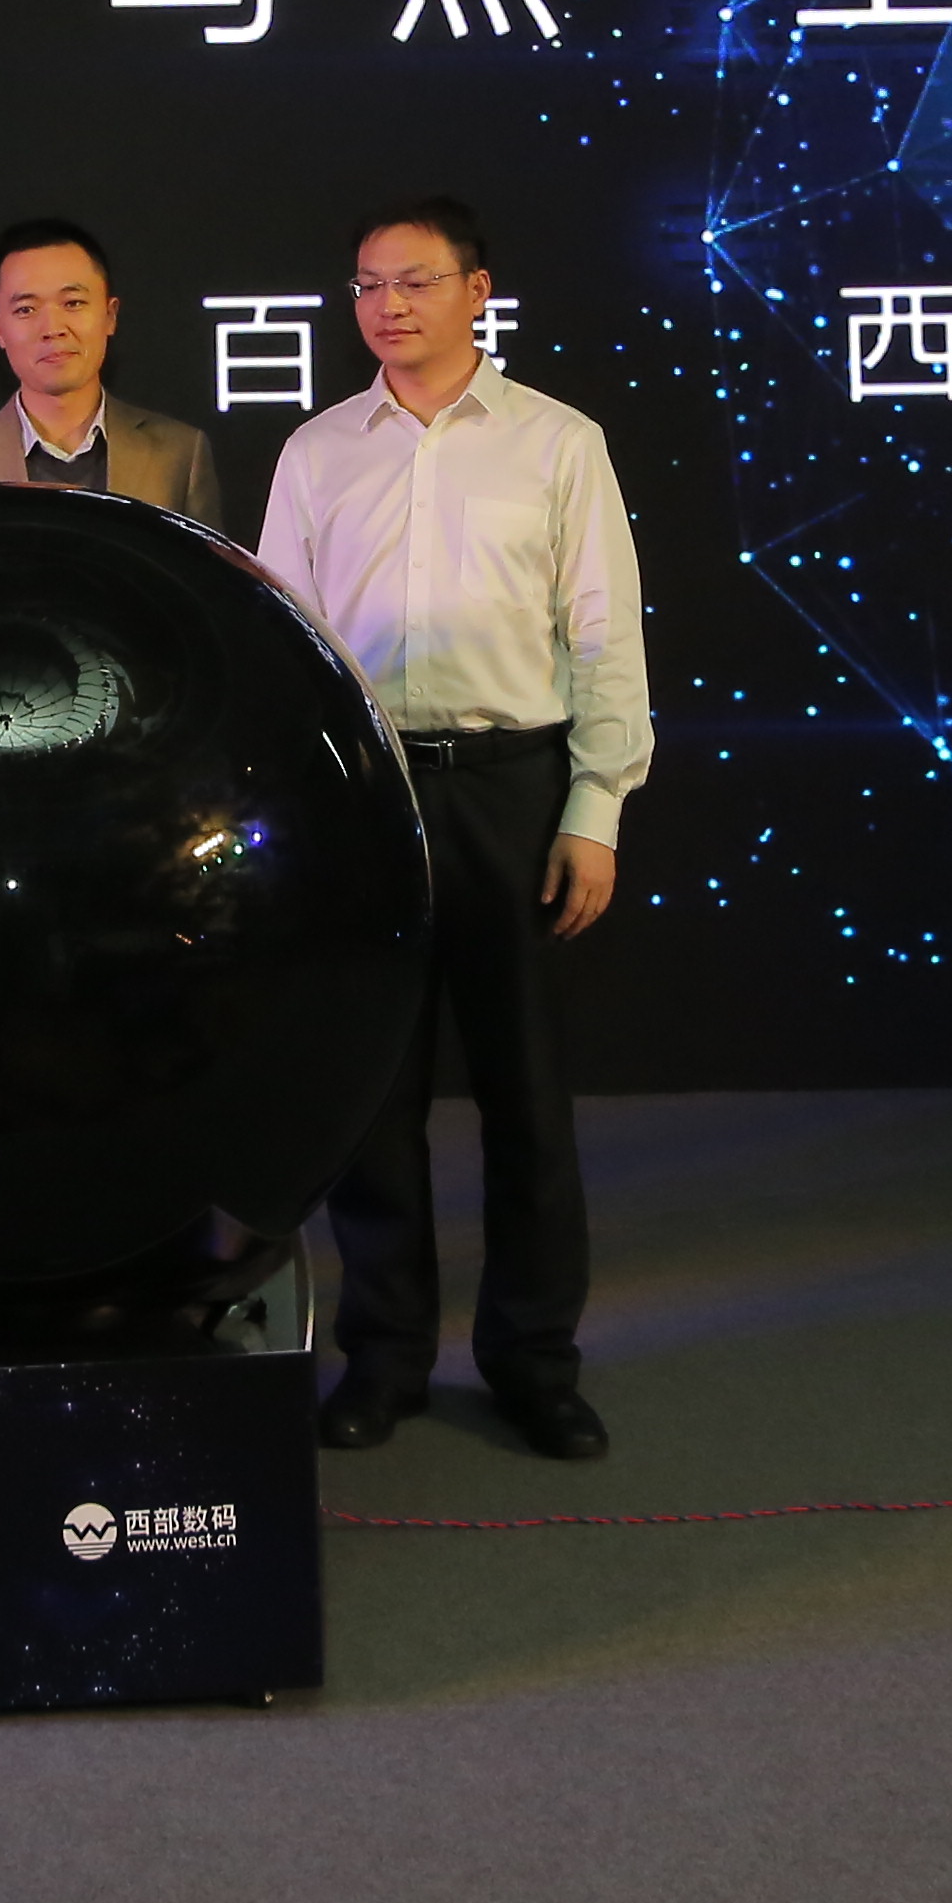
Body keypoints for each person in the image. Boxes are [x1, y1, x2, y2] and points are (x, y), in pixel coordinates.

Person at [256, 194, 650, 1462]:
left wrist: (595, 808)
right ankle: (386, 1355)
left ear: (478, 290)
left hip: (512, 786)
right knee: (374, 1095)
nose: (389, 306)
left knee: (526, 1094)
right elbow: (283, 647)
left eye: (416, 281)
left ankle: (534, 1361)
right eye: (368, 285)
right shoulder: (319, 450)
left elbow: (605, 636)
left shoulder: (557, 443)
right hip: (367, 794)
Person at [0, 214, 228, 526]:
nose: (53, 328)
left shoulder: (180, 454)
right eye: (26, 309)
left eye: (73, 303)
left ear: (110, 315)